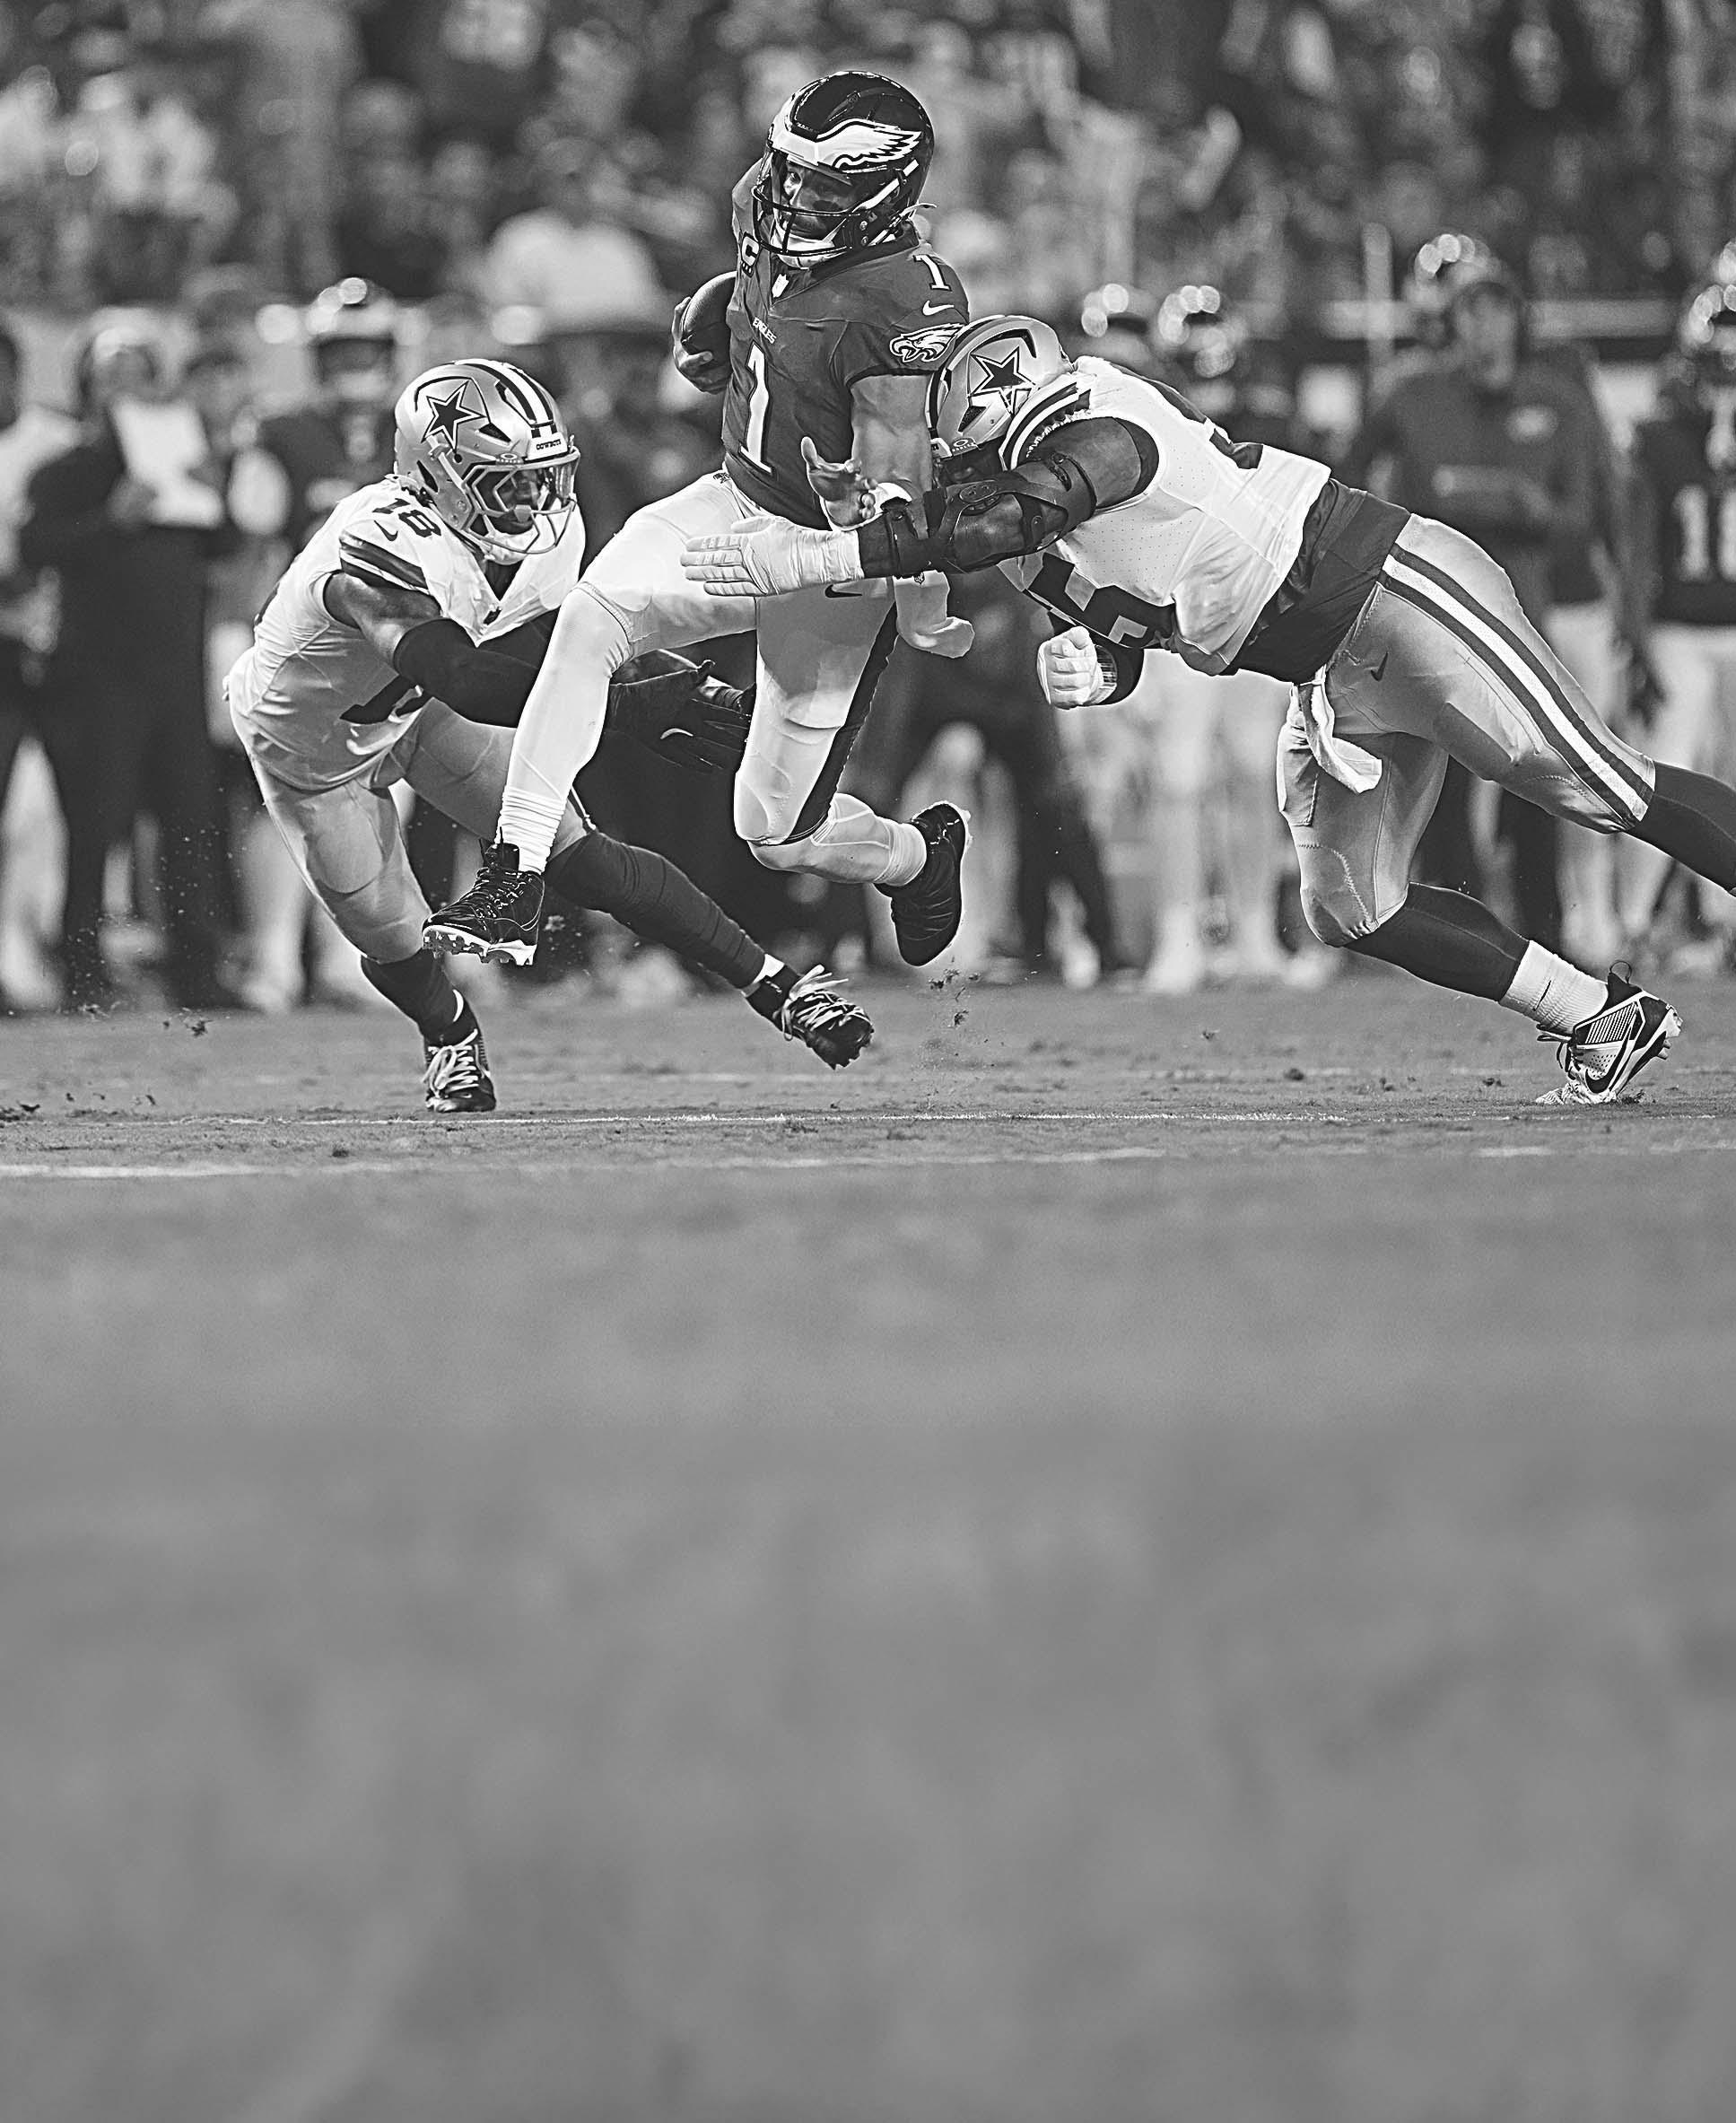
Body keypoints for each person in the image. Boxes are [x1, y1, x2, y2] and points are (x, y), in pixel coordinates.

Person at [679, 310, 1736, 1106]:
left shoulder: (1106, 417)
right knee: (1352, 907)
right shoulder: (1037, 534)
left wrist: (816, 553)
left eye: (976, 453)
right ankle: (1599, 1015)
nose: (966, 474)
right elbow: (1130, 624)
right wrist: (1100, 666)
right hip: (1325, 669)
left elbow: (1013, 514)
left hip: (1392, 593)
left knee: (1595, 785)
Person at [425, 72, 974, 977]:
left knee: (778, 833)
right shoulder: (758, 199)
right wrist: (720, 322)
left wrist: (854, 505)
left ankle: (918, 857)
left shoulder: (905, 297)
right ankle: (515, 872)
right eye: (789, 171)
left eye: (824, 186)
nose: (793, 196)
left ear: (886, 192)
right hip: (733, 499)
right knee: (591, 616)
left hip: (827, 557)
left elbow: (900, 512)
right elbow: (759, 297)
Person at [227, 356, 873, 1111]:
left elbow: (572, 643)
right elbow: (462, 677)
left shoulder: (542, 530)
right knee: (389, 932)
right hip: (315, 745)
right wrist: (631, 710)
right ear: (437, 478)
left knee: (576, 854)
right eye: (505, 482)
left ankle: (780, 989)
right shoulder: (373, 555)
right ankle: (451, 1037)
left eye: (541, 477)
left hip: (418, 705)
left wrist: (683, 686)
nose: (533, 501)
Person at [1341, 239, 1604, 956]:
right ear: (1449, 320)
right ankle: (1458, 935)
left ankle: (1546, 932)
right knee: (1439, 781)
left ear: (1519, 317)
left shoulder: (1557, 397)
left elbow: (1584, 515)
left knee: (1537, 776)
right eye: (1469, 311)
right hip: (1431, 612)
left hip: (1523, 613)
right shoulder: (1408, 392)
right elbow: (1344, 484)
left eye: (1495, 310)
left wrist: (1529, 508)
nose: (1483, 326)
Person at [21, 315, 240, 1010]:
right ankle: (82, 970)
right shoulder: (68, 469)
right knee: (95, 826)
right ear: (86, 386)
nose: (127, 387)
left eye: (141, 374)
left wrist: (216, 491)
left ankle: (197, 971)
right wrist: (109, 519)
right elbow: (34, 546)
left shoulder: (182, 460)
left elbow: (226, 546)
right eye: (111, 375)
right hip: (98, 675)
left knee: (190, 822)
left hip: (175, 672)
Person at [1614, 273, 1736, 963]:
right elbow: (1636, 548)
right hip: (1679, 629)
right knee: (1665, 776)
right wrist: (1635, 639)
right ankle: (1632, 922)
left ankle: (1722, 926)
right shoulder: (1659, 438)